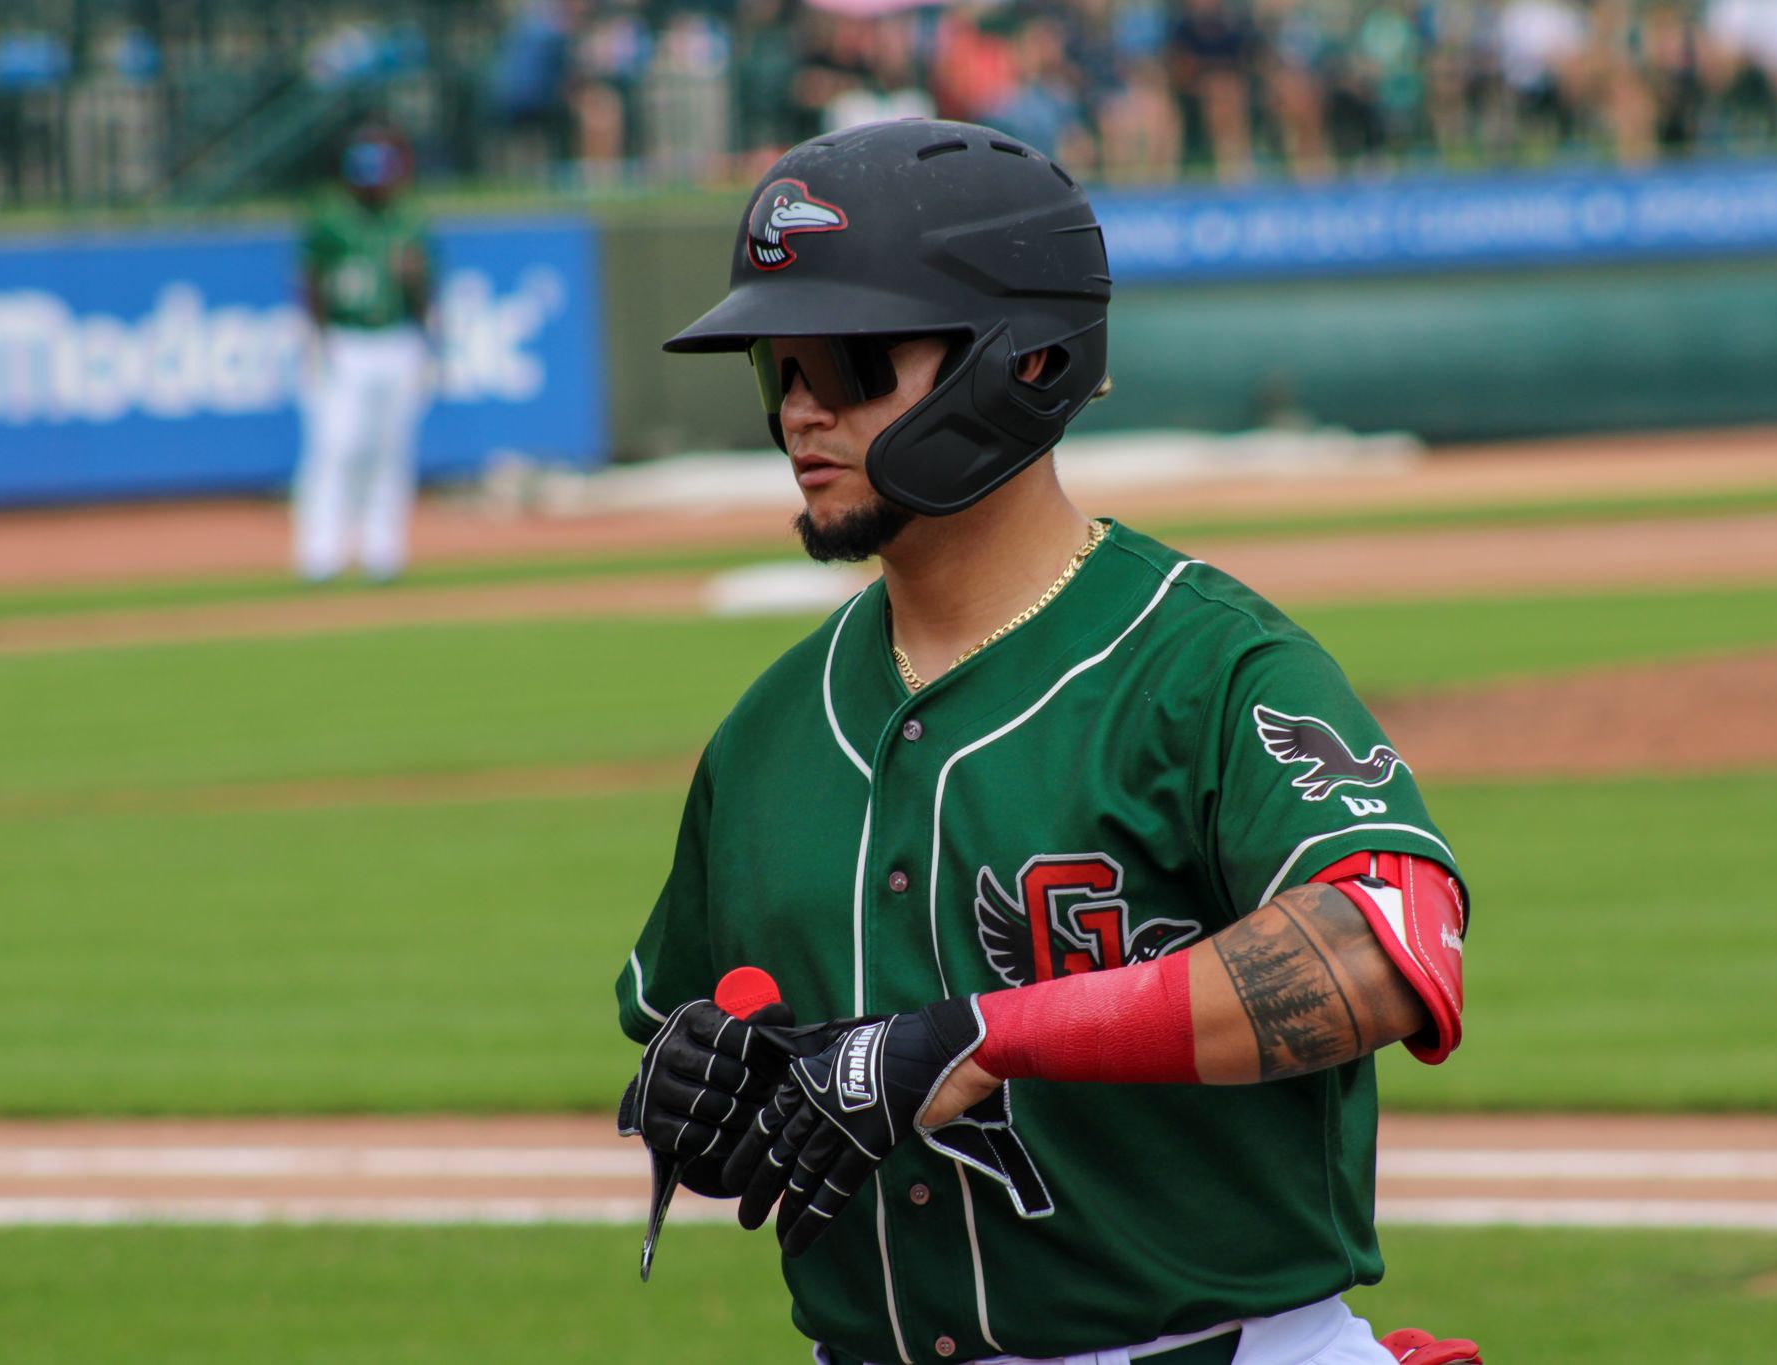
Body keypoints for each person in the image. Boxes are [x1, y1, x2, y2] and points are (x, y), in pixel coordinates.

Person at [614, 118, 1478, 1365]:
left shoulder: (1202, 668)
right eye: (775, 369)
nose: (801, 410)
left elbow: (1384, 958)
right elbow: (708, 1025)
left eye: (848, 361)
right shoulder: (767, 733)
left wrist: (984, 1035)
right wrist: (704, 1093)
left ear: (1023, 362)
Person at [293, 121, 436, 584]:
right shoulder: (330, 216)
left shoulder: (407, 217)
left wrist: (428, 333)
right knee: (337, 447)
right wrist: (315, 340)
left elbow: (426, 285)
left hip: (396, 339)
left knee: (391, 450)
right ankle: (321, 552)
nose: (375, 183)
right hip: (345, 341)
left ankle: (383, 550)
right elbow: (309, 280)